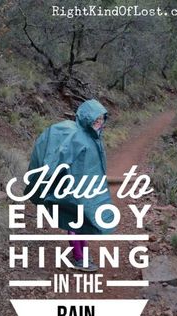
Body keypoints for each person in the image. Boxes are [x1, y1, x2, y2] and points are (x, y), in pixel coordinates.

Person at [25, 99, 115, 272]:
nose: (99, 123)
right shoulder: (77, 137)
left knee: (83, 220)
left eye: (101, 119)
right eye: (96, 120)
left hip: (87, 188)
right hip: (73, 187)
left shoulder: (94, 137)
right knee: (74, 221)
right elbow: (59, 158)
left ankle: (83, 254)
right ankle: (79, 258)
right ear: (87, 118)